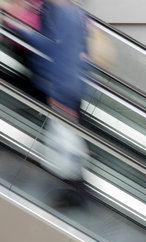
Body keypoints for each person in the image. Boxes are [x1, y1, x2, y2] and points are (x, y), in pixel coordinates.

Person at [7, 0, 89, 206]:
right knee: (68, 140)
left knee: (65, 142)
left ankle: (75, 194)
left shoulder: (61, 13)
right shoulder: (74, 12)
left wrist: (17, 25)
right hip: (68, 87)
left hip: (60, 88)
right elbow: (81, 54)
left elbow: (51, 46)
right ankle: (77, 192)